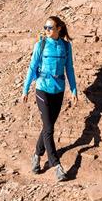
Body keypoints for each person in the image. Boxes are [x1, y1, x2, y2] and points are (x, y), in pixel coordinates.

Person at [21, 15, 78, 181]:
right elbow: (32, 68)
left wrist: (74, 90)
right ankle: (57, 166)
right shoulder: (41, 44)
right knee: (49, 128)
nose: (46, 30)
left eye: (50, 27)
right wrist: (25, 90)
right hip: (42, 89)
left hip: (58, 90)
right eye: (45, 27)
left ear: (59, 28)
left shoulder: (66, 46)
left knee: (48, 127)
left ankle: (36, 155)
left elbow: (70, 69)